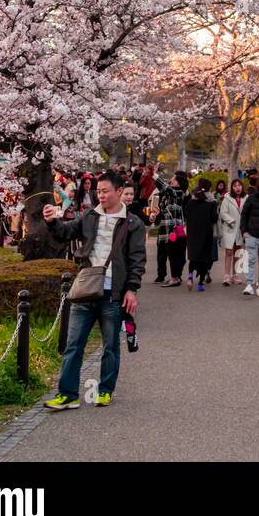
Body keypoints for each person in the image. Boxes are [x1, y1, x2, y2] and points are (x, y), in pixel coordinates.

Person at [41, 169, 146, 410]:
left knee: (110, 345)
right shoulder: (90, 216)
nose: (101, 195)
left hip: (113, 293)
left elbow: (137, 259)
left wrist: (132, 290)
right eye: (98, 191)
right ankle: (67, 394)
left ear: (119, 192)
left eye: (106, 191)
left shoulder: (133, 223)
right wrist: (52, 221)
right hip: (86, 288)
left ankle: (105, 390)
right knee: (73, 343)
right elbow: (65, 233)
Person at [182, 178, 217, 291]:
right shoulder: (211, 202)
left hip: (192, 232)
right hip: (206, 232)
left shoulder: (192, 201)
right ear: (209, 188)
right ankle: (200, 284)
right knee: (204, 258)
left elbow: (186, 213)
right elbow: (214, 218)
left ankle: (190, 275)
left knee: (193, 256)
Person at [155, 171, 188, 287]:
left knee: (174, 252)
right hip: (165, 226)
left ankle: (175, 277)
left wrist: (154, 175)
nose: (171, 181)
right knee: (164, 251)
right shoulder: (168, 193)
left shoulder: (179, 192)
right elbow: (164, 190)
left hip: (174, 228)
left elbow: (166, 187)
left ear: (179, 183)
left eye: (173, 179)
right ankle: (167, 275)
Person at [219, 179, 245, 285]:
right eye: (235, 186)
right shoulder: (227, 198)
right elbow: (222, 213)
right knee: (229, 252)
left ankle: (235, 275)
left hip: (240, 229)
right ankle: (226, 275)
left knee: (237, 252)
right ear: (232, 187)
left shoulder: (246, 198)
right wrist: (232, 220)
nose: (238, 188)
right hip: (230, 228)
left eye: (239, 185)